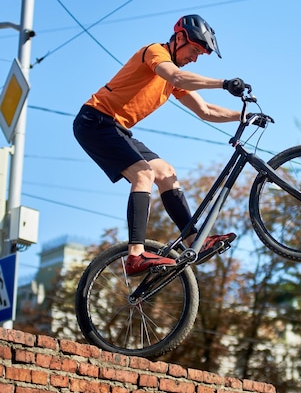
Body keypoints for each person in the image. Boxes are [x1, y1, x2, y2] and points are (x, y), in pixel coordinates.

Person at [73, 14, 247, 276]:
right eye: (194, 50)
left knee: (165, 172)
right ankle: (135, 255)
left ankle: (193, 241)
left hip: (117, 128)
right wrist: (222, 83)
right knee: (144, 173)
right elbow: (177, 77)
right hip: (95, 121)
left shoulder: (174, 77)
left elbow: (206, 110)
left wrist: (243, 116)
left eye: (200, 54)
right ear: (178, 39)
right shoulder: (155, 53)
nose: (195, 58)